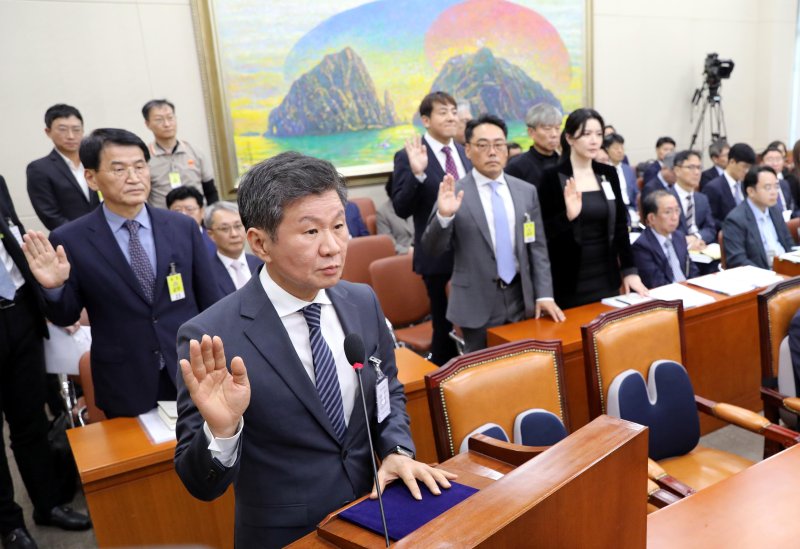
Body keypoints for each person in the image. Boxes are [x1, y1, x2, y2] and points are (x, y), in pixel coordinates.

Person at [173, 151, 456, 548]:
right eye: (310, 232)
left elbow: (385, 388)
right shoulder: (211, 336)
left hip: (371, 516)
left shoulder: (361, 301)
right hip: (287, 537)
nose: (333, 247)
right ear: (260, 243)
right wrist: (222, 431)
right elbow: (198, 484)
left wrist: (395, 449)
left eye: (339, 226)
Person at [22, 128, 222, 419]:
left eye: (140, 166)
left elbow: (211, 301)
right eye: (119, 169)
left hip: (191, 371)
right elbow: (67, 316)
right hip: (125, 379)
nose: (133, 177)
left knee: (209, 458)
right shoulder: (71, 239)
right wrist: (54, 287)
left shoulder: (182, 226)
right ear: (92, 178)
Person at [421, 115, 564, 352]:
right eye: (483, 145)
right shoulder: (454, 192)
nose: (492, 152)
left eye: (499, 145)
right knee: (484, 377)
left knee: (526, 367)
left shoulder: (525, 191)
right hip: (476, 303)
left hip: (521, 298)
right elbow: (432, 249)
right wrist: (444, 217)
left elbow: (537, 248)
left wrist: (544, 294)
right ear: (467, 150)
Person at [0, 175, 91, 549]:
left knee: (30, 422)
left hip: (18, 313)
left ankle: (48, 504)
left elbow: (14, 237)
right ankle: (9, 525)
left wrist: (48, 304)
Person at [538, 108, 648, 309]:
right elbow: (542, 233)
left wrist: (630, 271)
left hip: (606, 277)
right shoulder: (552, 177)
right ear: (570, 138)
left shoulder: (607, 173)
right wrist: (568, 216)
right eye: (586, 134)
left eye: (598, 134)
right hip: (568, 281)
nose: (594, 140)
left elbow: (621, 226)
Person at [391, 91, 470, 365]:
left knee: (473, 325)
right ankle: (442, 384)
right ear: (426, 120)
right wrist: (418, 174)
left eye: (453, 110)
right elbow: (401, 207)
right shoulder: (408, 156)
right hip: (438, 256)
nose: (451, 117)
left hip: (472, 251)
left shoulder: (464, 151)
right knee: (445, 329)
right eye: (443, 112)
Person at [26, 104, 100, 231]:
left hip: (107, 234)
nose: (71, 136)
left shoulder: (95, 162)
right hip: (71, 240)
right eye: (62, 129)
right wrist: (84, 235)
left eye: (76, 129)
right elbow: (49, 214)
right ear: (48, 132)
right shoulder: (39, 169)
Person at [142, 99, 219, 209]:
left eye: (170, 118)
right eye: (159, 120)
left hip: (197, 219)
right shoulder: (144, 158)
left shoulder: (195, 152)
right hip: (164, 221)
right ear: (147, 124)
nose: (167, 124)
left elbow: (210, 190)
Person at [722, 166, 794, 269]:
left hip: (786, 270)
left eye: (776, 186)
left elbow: (789, 244)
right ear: (751, 191)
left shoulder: (775, 210)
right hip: (762, 276)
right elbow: (737, 260)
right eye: (768, 187)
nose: (774, 192)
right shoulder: (735, 219)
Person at [632, 190, 699, 288]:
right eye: (668, 212)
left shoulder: (679, 237)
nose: (675, 217)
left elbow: (692, 270)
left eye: (677, 210)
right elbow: (655, 283)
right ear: (651, 218)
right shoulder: (642, 246)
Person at [205, 201, 260, 296]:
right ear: (211, 235)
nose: (234, 234)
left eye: (238, 226)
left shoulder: (262, 263)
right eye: (225, 228)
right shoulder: (206, 273)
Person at [505, 103, 562, 189]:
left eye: (557, 128)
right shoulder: (516, 166)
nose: (554, 134)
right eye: (547, 129)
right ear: (531, 132)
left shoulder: (564, 162)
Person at [702, 143, 756, 232]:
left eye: (749, 168)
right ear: (732, 162)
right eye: (744, 167)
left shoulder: (746, 185)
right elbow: (710, 219)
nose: (747, 171)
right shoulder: (713, 188)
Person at [672, 150, 717, 250]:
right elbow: (665, 232)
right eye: (691, 167)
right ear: (677, 171)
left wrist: (696, 238)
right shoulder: (666, 198)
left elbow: (711, 229)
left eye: (699, 168)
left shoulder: (702, 198)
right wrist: (687, 243)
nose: (697, 172)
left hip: (701, 250)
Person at [167, 185, 216, 255]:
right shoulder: (163, 242)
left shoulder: (216, 239)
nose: (183, 215)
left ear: (202, 212)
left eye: (189, 209)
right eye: (177, 211)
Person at [603, 133, 638, 227]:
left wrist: (636, 210)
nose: (620, 151)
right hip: (613, 211)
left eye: (622, 148)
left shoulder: (628, 169)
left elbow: (635, 193)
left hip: (629, 210)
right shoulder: (603, 170)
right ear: (606, 150)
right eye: (616, 148)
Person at [376, 177, 414, 254]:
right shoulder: (383, 212)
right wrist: (407, 251)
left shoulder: (415, 205)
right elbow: (387, 244)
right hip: (400, 257)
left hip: (421, 254)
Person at [761, 145, 797, 219]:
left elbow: (793, 207)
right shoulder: (759, 184)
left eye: (778, 159)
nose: (775, 163)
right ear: (762, 162)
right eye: (770, 159)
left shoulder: (784, 183)